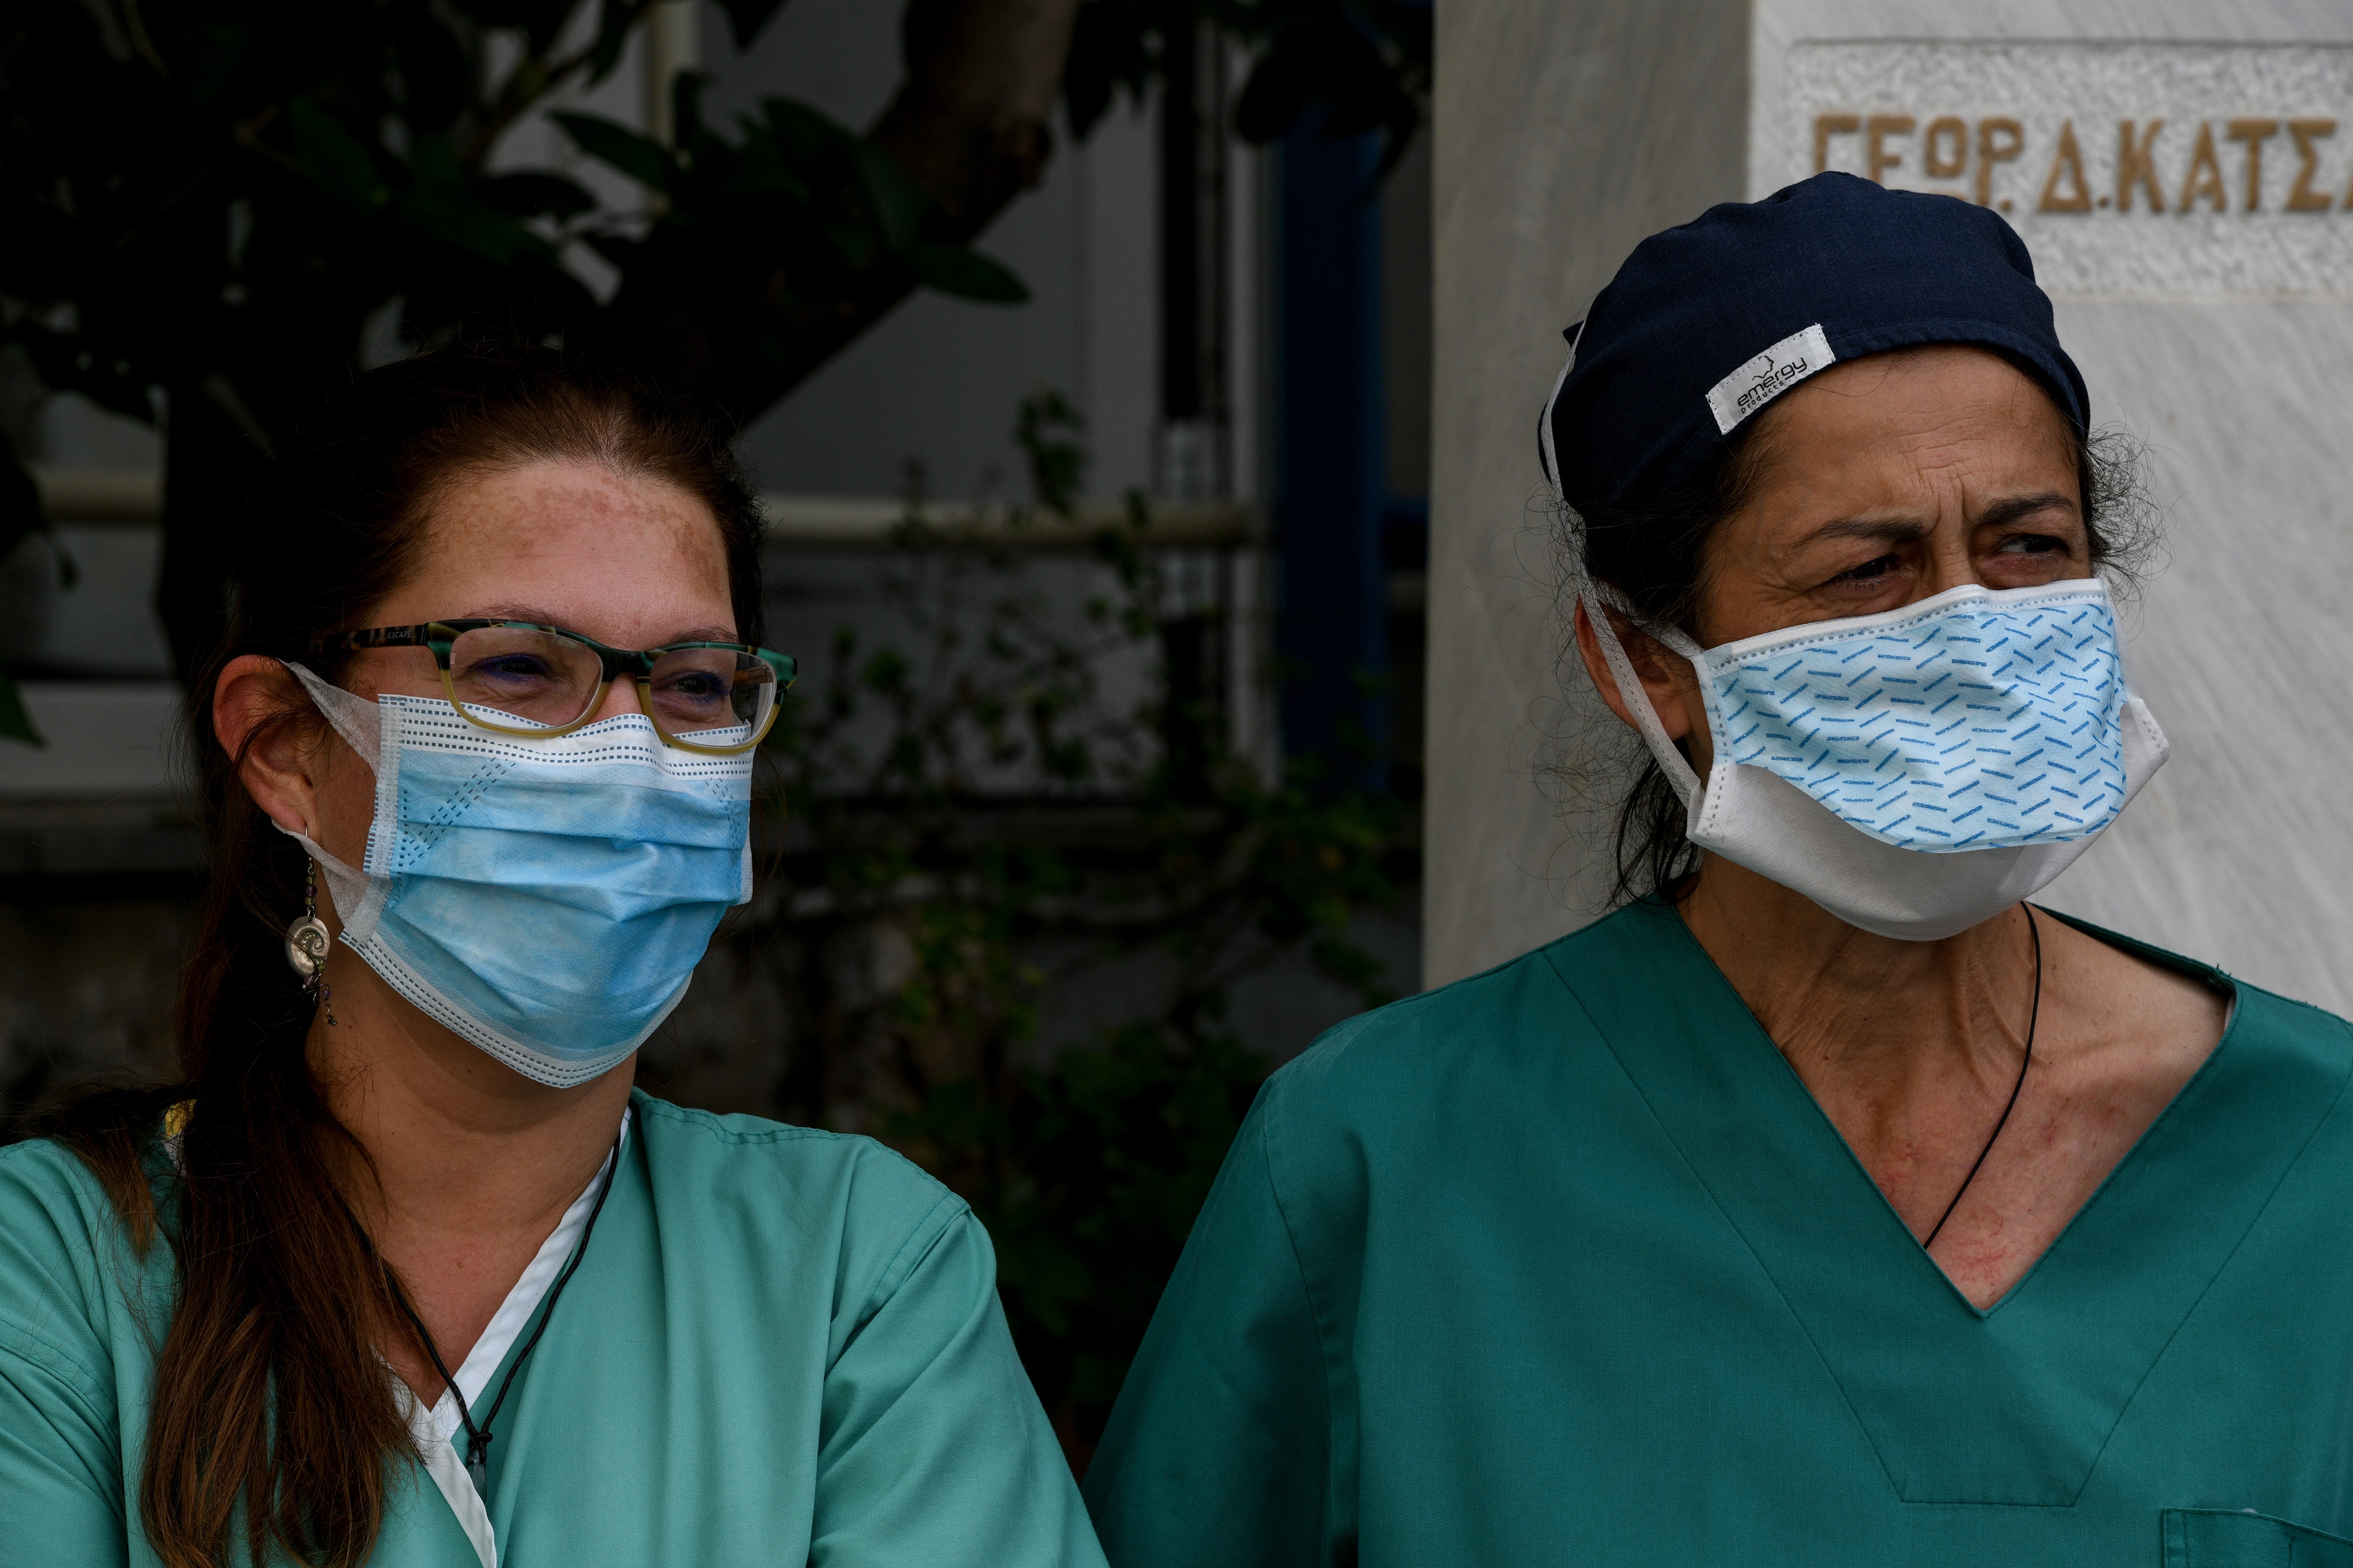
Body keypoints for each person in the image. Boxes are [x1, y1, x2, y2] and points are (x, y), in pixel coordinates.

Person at [1082, 172, 2353, 1564]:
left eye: (2026, 546)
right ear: (1642, 664)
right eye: (1866, 568)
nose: (1970, 630)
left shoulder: (2315, 1164)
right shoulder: (1386, 1167)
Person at [0, 346, 1105, 1568]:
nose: (629, 760)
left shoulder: (859, 1273)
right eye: (519, 670)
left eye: (694, 684)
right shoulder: (56, 1278)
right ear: (284, 748)